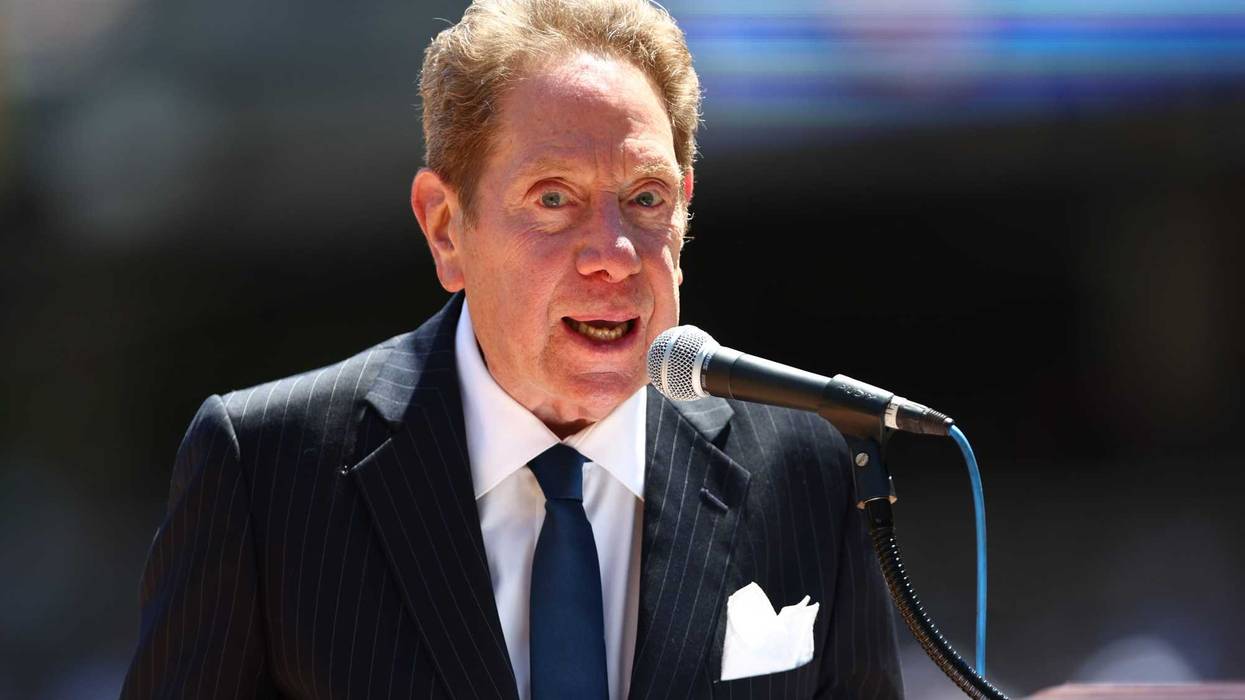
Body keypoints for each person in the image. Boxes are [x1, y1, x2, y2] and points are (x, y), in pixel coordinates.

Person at [120, 0, 903, 697]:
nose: (614, 255)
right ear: (445, 228)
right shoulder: (266, 469)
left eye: (645, 198)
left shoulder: (806, 468)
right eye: (553, 198)